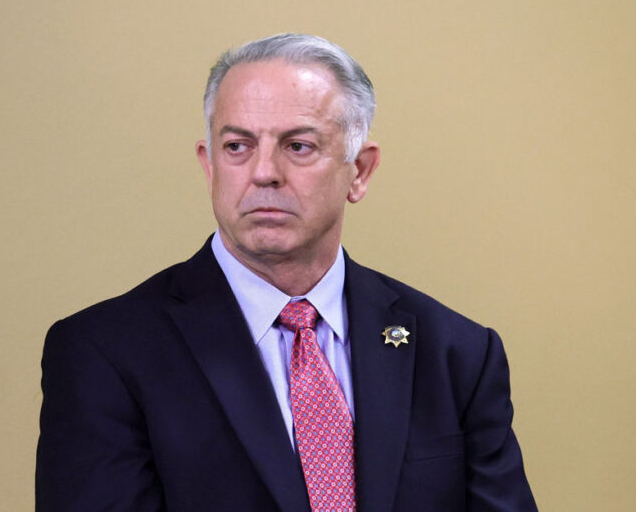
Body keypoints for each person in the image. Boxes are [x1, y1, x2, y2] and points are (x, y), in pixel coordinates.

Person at [36, 33, 537, 512]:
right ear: (209, 166)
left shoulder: (458, 354)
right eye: (238, 146)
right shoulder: (104, 353)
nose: (263, 172)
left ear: (359, 171)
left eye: (298, 146)